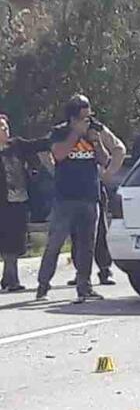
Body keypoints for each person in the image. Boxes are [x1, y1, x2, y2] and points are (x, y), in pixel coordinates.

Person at [36, 95, 116, 302]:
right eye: (83, 117)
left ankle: (84, 286)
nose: (87, 121)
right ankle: (43, 284)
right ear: (73, 118)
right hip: (65, 198)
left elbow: (105, 160)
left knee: (87, 244)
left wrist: (96, 141)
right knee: (55, 242)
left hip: (90, 196)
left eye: (89, 116)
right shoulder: (60, 132)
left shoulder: (94, 131)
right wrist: (75, 135)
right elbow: (59, 154)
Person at [0, 114, 50, 292]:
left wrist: (56, 137)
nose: (5, 130)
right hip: (3, 204)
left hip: (21, 200)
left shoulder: (17, 145)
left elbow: (36, 144)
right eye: (1, 128)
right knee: (7, 240)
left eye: (6, 127)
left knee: (18, 239)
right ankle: (11, 279)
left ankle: (9, 278)